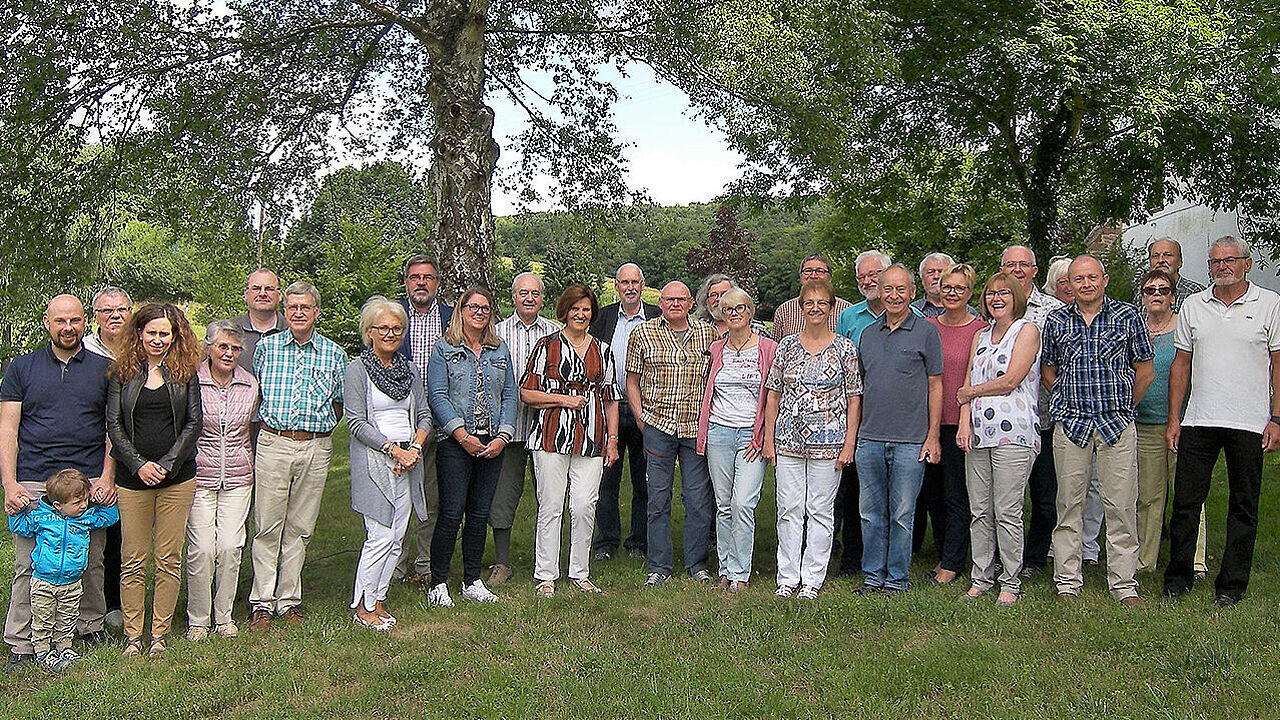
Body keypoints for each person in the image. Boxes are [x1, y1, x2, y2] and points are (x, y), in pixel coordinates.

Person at [1164, 236, 1280, 608]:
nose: (1222, 267)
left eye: (1230, 260)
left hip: (1249, 422)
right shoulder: (1193, 306)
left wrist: (1276, 418)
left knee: (1243, 505)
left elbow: (1279, 365)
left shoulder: (1269, 305)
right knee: (1185, 502)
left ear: (1246, 264)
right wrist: (1174, 419)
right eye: (1215, 262)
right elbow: (1180, 364)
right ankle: (1178, 578)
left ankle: (1231, 585)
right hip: (1199, 419)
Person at [3, 295, 116, 670]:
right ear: (47, 323)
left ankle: (89, 625)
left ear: (85, 322)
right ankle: (21, 640)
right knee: (29, 565)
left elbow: (112, 430)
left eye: (75, 320)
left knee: (91, 560)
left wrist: (106, 476)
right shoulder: (22, 367)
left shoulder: (104, 370)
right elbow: (8, 428)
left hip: (87, 482)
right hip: (35, 480)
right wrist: (9, 483)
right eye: (59, 321)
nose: (67, 328)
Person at [1041, 255, 1152, 607]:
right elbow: (1048, 371)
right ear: (1069, 285)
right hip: (1071, 426)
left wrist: (1124, 407)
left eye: (1092, 277)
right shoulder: (1057, 320)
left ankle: (1124, 584)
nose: (1085, 284)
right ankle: (1067, 583)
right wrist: (1064, 401)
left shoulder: (1127, 316)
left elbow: (1144, 370)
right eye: (1078, 279)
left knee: (1120, 505)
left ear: (1104, 280)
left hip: (1116, 425)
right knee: (1069, 504)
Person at [106, 303, 203, 656]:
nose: (159, 340)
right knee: (132, 559)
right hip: (132, 480)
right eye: (152, 333)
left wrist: (165, 464)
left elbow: (194, 424)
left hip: (177, 479)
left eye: (165, 333)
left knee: (168, 559)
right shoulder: (123, 372)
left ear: (174, 335)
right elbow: (114, 424)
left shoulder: (185, 372)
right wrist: (139, 465)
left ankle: (158, 635)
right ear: (139, 334)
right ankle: (133, 635)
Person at [249, 281, 347, 629]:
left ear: (316, 312)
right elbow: (256, 394)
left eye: (306, 308)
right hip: (273, 442)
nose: (299, 313)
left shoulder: (335, 354)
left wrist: (316, 430)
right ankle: (261, 602)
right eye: (292, 307)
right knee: (267, 525)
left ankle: (288, 600)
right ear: (284, 310)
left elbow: (338, 403)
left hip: (316, 446)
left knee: (300, 527)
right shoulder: (267, 348)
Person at [520, 285, 621, 597]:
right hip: (550, 437)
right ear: (564, 311)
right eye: (575, 309)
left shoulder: (603, 350)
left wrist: (613, 440)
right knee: (551, 506)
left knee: (583, 505)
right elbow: (526, 392)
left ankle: (580, 572)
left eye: (586, 309)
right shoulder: (546, 346)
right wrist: (563, 399)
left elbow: (611, 398)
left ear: (593, 313)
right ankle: (546, 575)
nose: (581, 314)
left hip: (592, 439)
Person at [763, 279, 859, 599]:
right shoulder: (787, 346)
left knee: (820, 510)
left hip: (830, 442)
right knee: (788, 508)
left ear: (831, 308)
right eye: (809, 303)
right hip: (788, 439)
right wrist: (768, 438)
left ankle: (812, 578)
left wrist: (849, 443)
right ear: (801, 308)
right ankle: (787, 576)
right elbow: (773, 394)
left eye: (822, 303)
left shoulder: (845, 348)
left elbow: (854, 399)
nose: (815, 308)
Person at [426, 286, 517, 607]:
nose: (479, 312)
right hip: (455, 444)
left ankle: (471, 581)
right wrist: (461, 435)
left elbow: (509, 395)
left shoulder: (498, 349)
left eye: (485, 308)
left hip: (492, 443)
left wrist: (503, 436)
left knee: (479, 515)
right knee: (451, 514)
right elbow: (437, 396)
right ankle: (438, 583)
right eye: (473, 307)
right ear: (461, 311)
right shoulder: (444, 349)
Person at [854, 264, 943, 594]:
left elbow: (936, 385)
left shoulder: (926, 332)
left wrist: (933, 435)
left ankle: (896, 579)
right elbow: (860, 388)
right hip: (871, 437)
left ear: (912, 293)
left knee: (903, 514)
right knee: (870, 513)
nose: (893, 295)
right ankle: (872, 576)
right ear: (880, 291)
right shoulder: (867, 335)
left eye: (900, 289)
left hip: (910, 439)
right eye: (887, 289)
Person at [834, 250, 923, 577]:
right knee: (863, 501)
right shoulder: (854, 322)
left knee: (901, 506)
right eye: (863, 278)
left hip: (906, 428)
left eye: (877, 276)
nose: (870, 282)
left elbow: (931, 382)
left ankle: (898, 570)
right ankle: (861, 565)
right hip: (864, 424)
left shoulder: (921, 325)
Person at [345, 297, 432, 630]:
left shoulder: (409, 370)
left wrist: (413, 448)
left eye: (397, 328)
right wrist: (393, 451)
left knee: (397, 537)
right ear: (370, 332)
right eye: (384, 328)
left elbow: (424, 415)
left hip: (409, 459)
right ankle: (363, 608)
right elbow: (355, 423)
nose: (391, 333)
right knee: (379, 536)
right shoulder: (358, 369)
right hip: (375, 461)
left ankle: (378, 600)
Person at [956, 272, 1041, 606]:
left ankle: (1010, 581)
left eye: (1004, 293)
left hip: (1014, 433)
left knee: (1007, 510)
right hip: (978, 433)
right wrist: (965, 424)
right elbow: (966, 385)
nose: (997, 298)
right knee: (979, 509)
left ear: (1016, 297)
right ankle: (981, 577)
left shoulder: (1027, 330)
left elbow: (1011, 380)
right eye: (991, 293)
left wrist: (971, 393)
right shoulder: (979, 336)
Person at [626, 281, 719, 587]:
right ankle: (659, 565)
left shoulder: (708, 334)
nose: (675, 304)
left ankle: (696, 563)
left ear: (692, 303)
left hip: (695, 428)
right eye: (669, 300)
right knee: (657, 498)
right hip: (658, 427)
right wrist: (641, 418)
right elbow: (632, 380)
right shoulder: (643, 333)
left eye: (681, 299)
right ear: (661, 303)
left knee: (697, 498)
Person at [698, 288, 778, 593]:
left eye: (740, 308)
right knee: (724, 505)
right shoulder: (716, 349)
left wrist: (764, 435)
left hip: (750, 434)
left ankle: (741, 572)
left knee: (743, 502)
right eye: (727, 308)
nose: (733, 313)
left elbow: (773, 395)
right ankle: (725, 569)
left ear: (750, 311)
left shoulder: (767, 348)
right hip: (719, 431)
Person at [184, 320, 259, 641]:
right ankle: (198, 620)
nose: (229, 353)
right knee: (201, 549)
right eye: (222, 347)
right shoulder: (191, 381)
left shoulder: (250, 384)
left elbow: (253, 429)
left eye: (235, 348)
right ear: (209, 348)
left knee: (230, 546)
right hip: (199, 474)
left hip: (239, 476)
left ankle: (224, 616)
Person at [1133, 270, 1209, 577]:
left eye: (1163, 290)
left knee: (1189, 494)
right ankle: (1144, 561)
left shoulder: (1186, 329)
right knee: (1148, 497)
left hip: (1183, 425)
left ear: (1173, 296)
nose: (1156, 294)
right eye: (1150, 290)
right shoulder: (1136, 330)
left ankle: (1196, 560)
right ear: (1142, 296)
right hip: (1145, 425)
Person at [6, 469, 118, 671]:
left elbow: (108, 519)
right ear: (58, 505)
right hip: (43, 581)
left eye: (85, 500)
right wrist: (17, 512)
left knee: (67, 615)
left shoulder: (85, 518)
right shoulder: (42, 519)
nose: (84, 506)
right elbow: (20, 527)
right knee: (43, 616)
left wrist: (104, 502)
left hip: (72, 581)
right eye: (77, 503)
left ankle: (64, 647)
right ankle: (42, 651)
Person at [490, 272, 559, 586]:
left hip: (549, 429)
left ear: (542, 297)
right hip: (511, 429)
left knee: (550, 497)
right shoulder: (497, 333)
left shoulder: (556, 332)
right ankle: (502, 562)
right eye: (523, 293)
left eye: (535, 293)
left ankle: (548, 561)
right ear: (513, 297)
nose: (529, 298)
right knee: (504, 496)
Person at [999, 245, 1065, 577]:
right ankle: (1003, 555)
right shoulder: (994, 309)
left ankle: (1036, 557)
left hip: (1044, 417)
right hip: (1002, 422)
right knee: (1003, 497)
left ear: (1035, 271)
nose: (1017, 270)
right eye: (1010, 264)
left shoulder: (1054, 311)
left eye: (1023, 265)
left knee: (1044, 496)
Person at [921, 264, 987, 585]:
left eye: (959, 288)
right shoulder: (928, 327)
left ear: (970, 293)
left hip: (962, 423)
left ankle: (952, 563)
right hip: (930, 421)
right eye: (947, 287)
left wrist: (966, 418)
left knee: (956, 494)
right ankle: (946, 552)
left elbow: (980, 376)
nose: (952, 293)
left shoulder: (980, 329)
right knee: (932, 494)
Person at [589, 263, 659, 561]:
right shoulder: (602, 317)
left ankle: (638, 543)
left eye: (635, 282)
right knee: (606, 480)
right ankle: (606, 542)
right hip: (610, 408)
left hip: (648, 408)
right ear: (616, 286)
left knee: (645, 479)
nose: (630, 287)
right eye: (624, 282)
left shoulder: (657, 316)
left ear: (643, 285)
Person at [393, 256, 452, 586]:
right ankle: (394, 564)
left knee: (431, 496)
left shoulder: (450, 317)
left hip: (440, 420)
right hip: (401, 420)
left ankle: (425, 563)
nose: (421, 283)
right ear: (406, 282)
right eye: (415, 277)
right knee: (396, 495)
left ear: (437, 283)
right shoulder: (392, 316)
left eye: (428, 277)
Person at [83, 285, 132, 631]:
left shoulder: (142, 346)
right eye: (106, 310)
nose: (115, 316)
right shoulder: (83, 350)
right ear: (95, 316)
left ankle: (116, 602)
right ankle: (87, 603)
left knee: (123, 531)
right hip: (91, 447)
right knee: (93, 529)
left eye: (121, 309)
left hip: (133, 447)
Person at [772, 254, 852, 340]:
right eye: (808, 271)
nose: (813, 276)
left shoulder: (847, 311)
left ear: (829, 277)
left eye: (820, 271)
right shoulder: (784, 310)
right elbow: (775, 348)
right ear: (801, 276)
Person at [225, 269, 288, 373]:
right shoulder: (227, 331)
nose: (262, 293)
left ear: (280, 295)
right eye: (256, 288)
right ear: (246, 294)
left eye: (269, 289)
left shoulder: (292, 332)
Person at [1132, 237, 1206, 312]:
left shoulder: (1195, 292)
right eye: (1155, 256)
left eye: (1167, 255)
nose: (1160, 260)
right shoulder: (1144, 293)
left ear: (1180, 262)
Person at [695, 274, 768, 337]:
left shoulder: (757, 330)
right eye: (714, 295)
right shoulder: (697, 329)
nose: (719, 299)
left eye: (724, 293)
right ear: (706, 300)